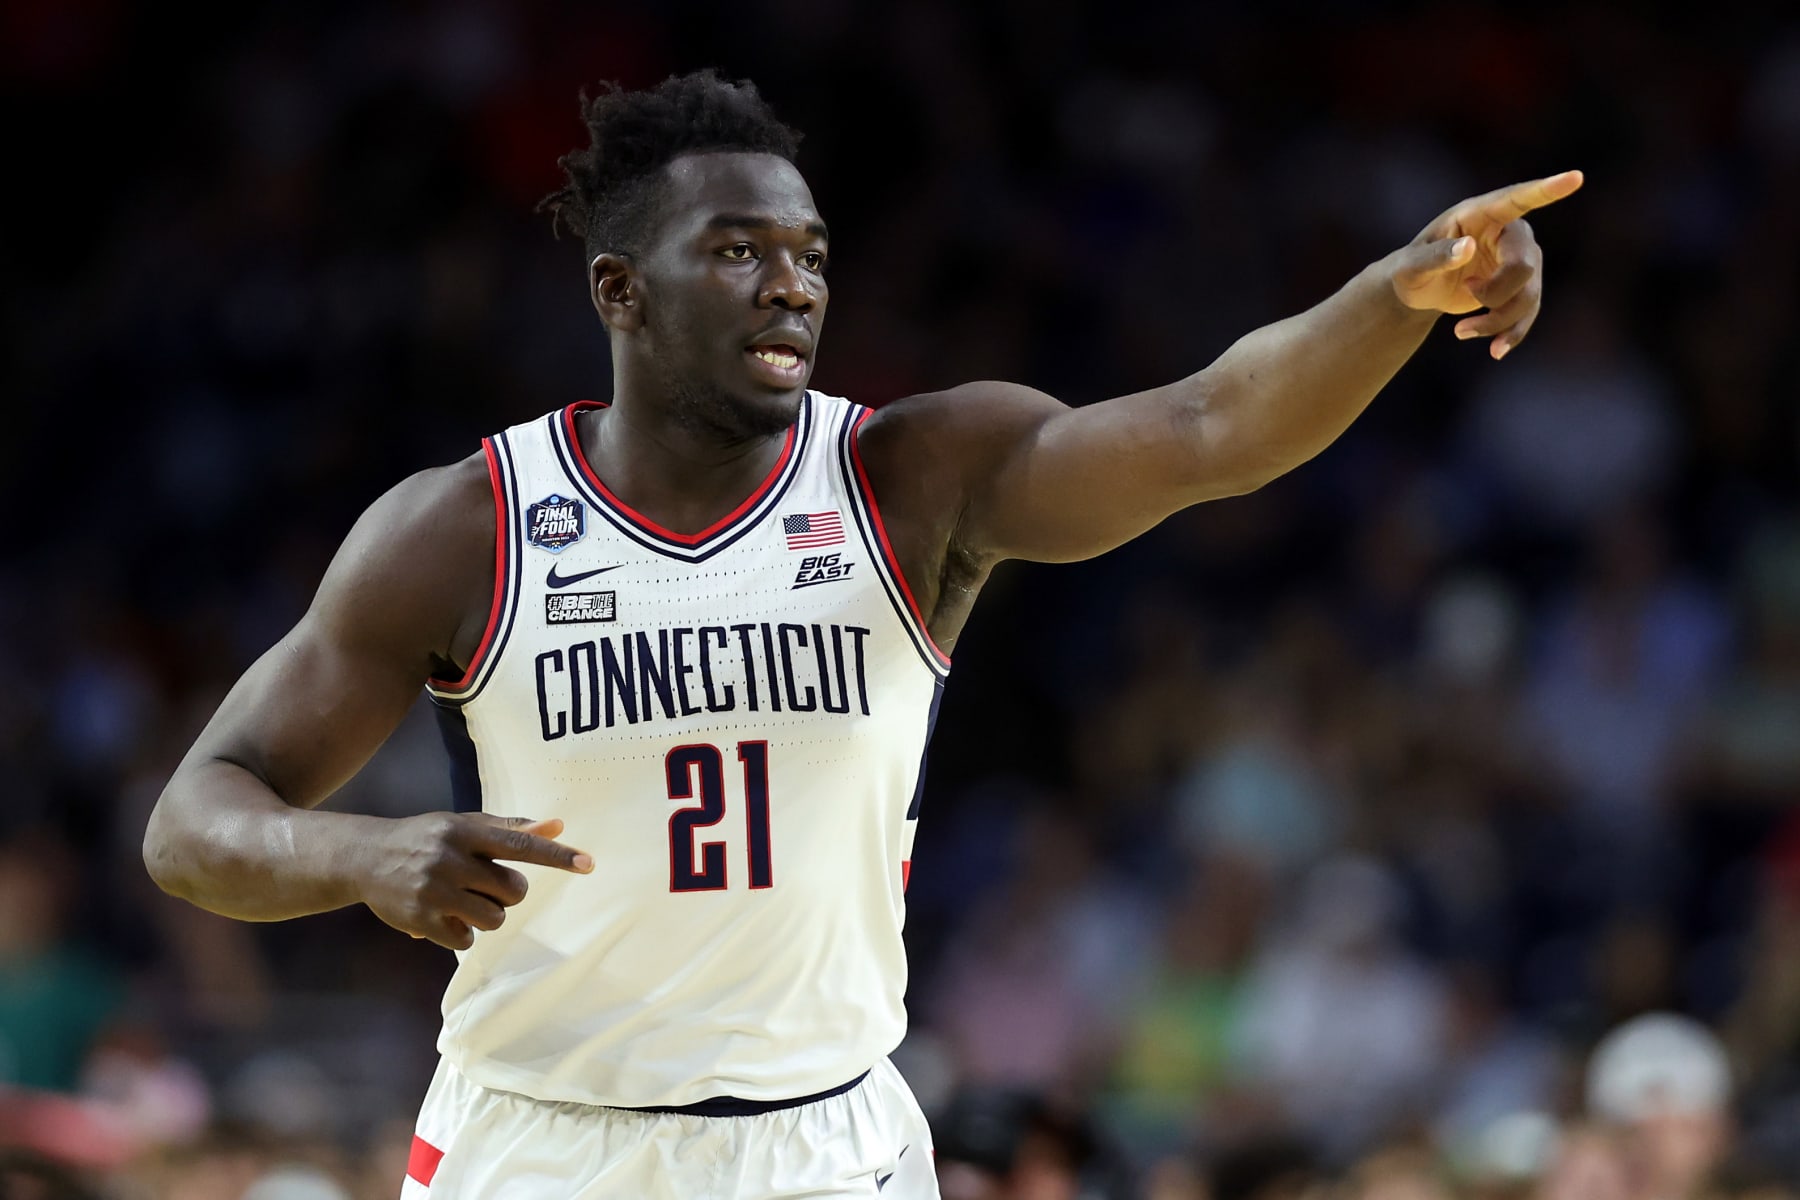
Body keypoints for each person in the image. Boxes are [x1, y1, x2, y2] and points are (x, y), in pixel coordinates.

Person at [141, 70, 1582, 1199]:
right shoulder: (467, 525)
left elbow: (1207, 424)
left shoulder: (912, 477)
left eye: (811, 254)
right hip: (541, 1144)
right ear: (619, 291)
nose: (794, 284)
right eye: (740, 250)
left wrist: (1399, 292)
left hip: (827, 1144)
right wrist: (359, 855)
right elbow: (195, 820)